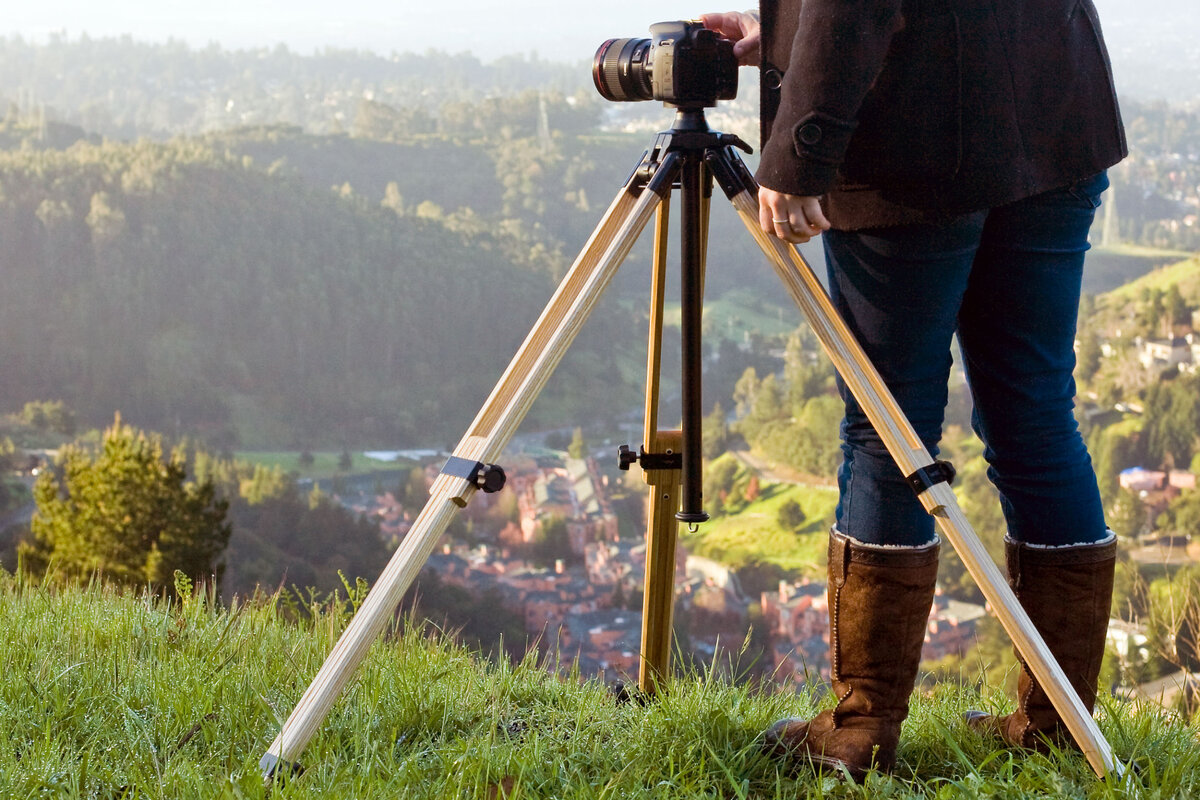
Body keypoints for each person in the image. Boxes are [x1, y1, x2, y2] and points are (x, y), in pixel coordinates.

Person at [701, 0, 1126, 781]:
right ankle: (1059, 727)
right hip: (1052, 113)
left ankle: (859, 733)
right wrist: (789, 41)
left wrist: (801, 148)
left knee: (885, 429)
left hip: (913, 143)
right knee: (1036, 416)